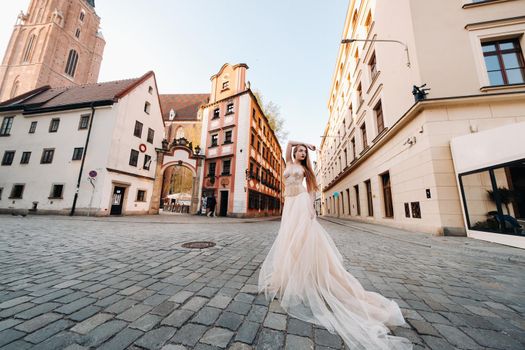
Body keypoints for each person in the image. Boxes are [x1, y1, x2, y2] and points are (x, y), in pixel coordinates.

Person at [258, 140, 412, 350]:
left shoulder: (305, 170)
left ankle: (309, 278)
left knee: (302, 240)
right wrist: (306, 143)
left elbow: (311, 191)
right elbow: (289, 142)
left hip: (301, 204)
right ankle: (291, 276)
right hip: (290, 205)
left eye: (304, 152)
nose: (302, 153)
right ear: (295, 152)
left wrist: (312, 208)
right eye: (300, 151)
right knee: (289, 240)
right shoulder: (287, 162)